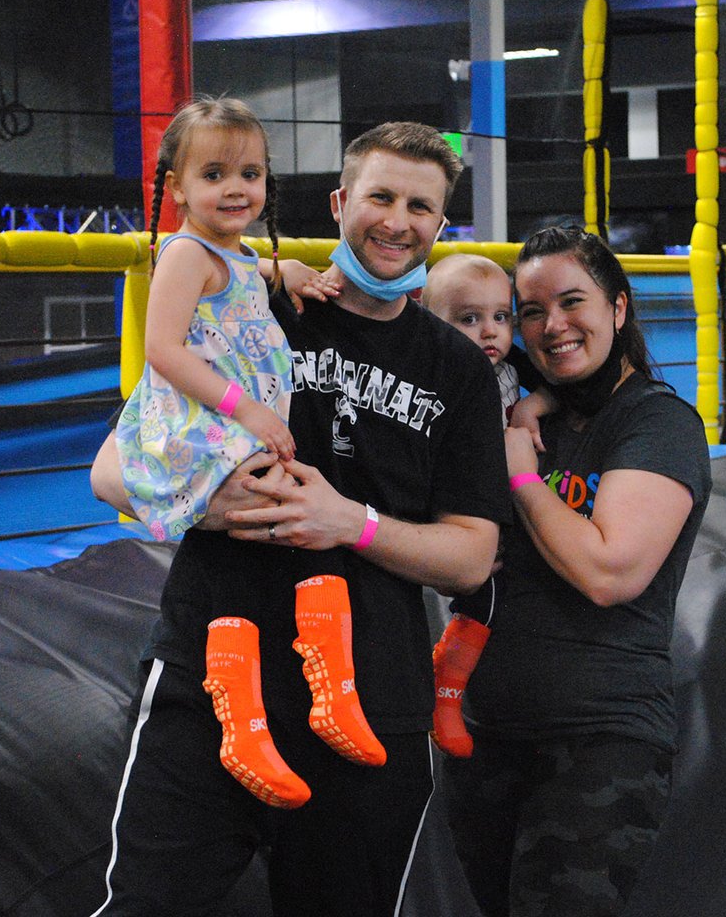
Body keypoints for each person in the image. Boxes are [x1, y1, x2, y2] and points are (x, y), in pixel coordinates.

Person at [88, 121, 510, 917]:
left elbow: (469, 558)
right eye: (381, 197)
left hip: (368, 697)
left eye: (421, 207)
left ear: (441, 224)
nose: (398, 222)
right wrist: (212, 503)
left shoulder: (456, 366)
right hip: (214, 676)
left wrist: (349, 522)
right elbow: (111, 468)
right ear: (341, 202)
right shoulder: (256, 303)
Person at [114, 96, 381, 811]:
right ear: (176, 187)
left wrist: (289, 272)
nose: (236, 189)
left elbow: (248, 279)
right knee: (274, 521)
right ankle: (246, 716)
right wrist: (246, 409)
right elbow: (162, 349)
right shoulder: (184, 255)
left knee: (302, 524)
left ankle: (331, 687)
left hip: (238, 425)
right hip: (206, 423)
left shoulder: (232, 256)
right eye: (214, 175)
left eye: (251, 174)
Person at [442, 225, 712, 917]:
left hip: (599, 741)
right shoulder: (515, 411)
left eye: (571, 302)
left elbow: (609, 572)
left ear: (618, 307)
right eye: (531, 311)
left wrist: (522, 481)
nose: (552, 325)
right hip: (487, 737)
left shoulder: (658, 424)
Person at [421, 253, 548, 757]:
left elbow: (566, 387)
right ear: (431, 324)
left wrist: (533, 405)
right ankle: (446, 690)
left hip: (501, 502)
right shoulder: (434, 371)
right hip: (455, 504)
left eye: (501, 316)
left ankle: (450, 686)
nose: (490, 331)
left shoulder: (512, 367)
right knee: (481, 595)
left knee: (502, 591)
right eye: (469, 318)